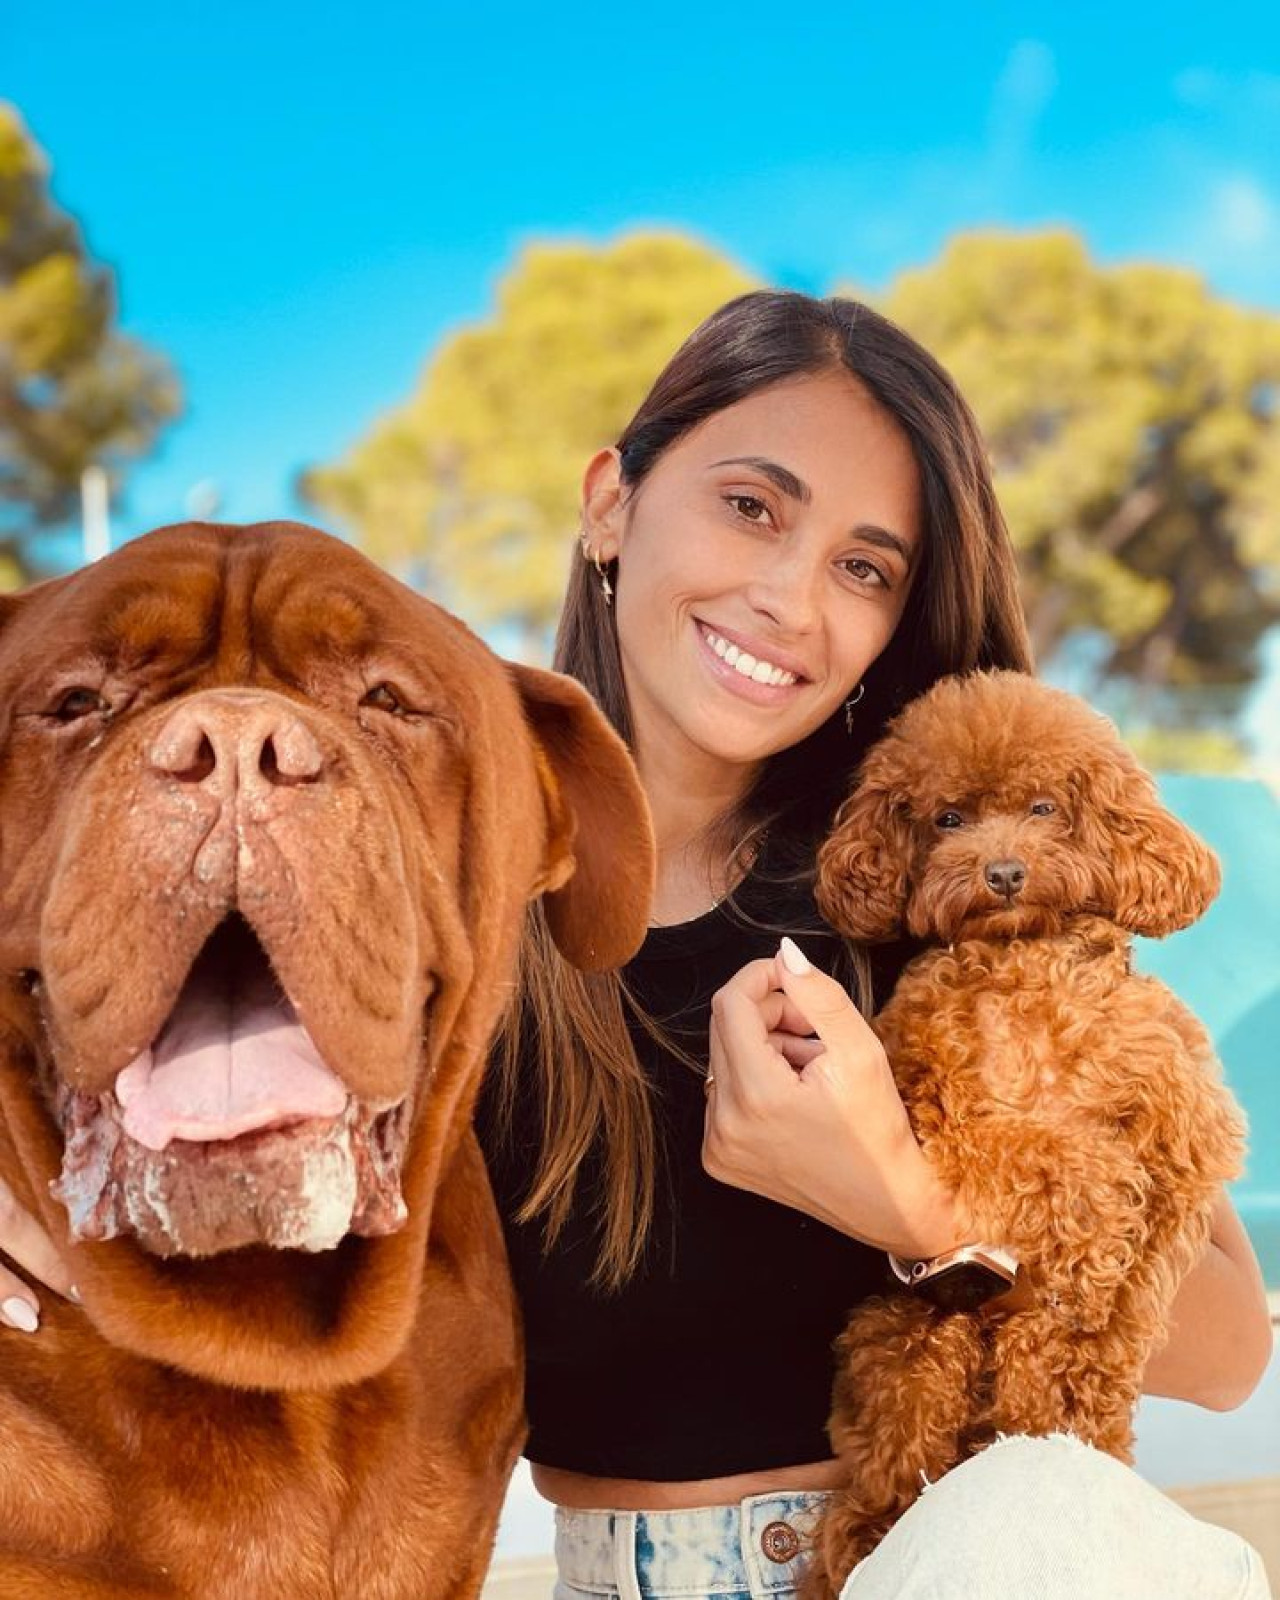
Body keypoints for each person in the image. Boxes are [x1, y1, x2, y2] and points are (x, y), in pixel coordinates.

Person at [2, 293, 1272, 1600]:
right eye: (751, 507)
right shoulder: (430, 914)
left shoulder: (940, 891)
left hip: (963, 1562)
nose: (790, 598)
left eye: (865, 567)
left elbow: (1232, 1347)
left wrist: (911, 1207)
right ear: (610, 502)